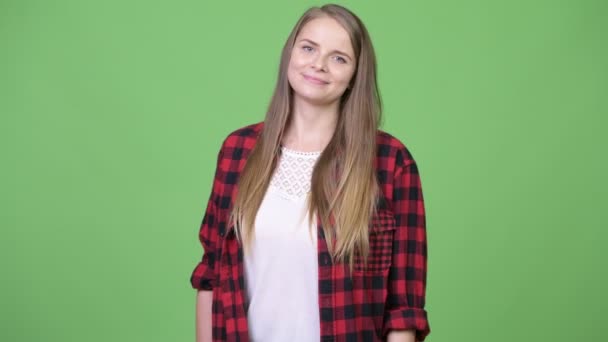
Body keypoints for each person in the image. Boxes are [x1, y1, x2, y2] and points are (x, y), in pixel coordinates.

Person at [189, 4, 430, 342]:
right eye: (308, 48)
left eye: (339, 58)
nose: (318, 64)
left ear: (354, 76)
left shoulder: (390, 163)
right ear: (290, 53)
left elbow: (404, 310)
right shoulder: (238, 151)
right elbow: (211, 278)